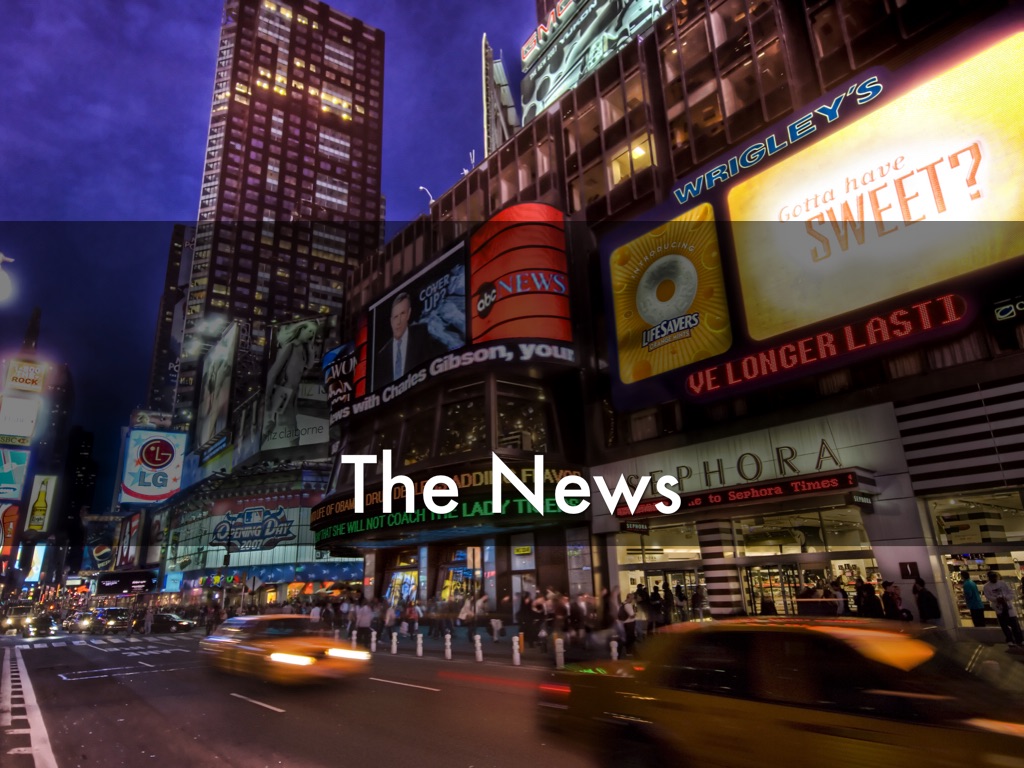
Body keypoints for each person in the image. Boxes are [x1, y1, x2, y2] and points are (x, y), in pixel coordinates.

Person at [261, 319, 321, 448]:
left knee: (272, 424)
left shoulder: (303, 349)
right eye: (310, 331)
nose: (311, 334)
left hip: (292, 394)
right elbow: (273, 373)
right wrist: (267, 398)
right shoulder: (290, 346)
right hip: (284, 392)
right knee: (291, 429)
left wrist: (310, 350)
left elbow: (309, 365)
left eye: (313, 332)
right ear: (301, 329)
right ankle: (294, 453)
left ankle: (257, 446)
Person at [374, 292, 442, 388]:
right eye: (395, 317)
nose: (398, 322)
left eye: (402, 314)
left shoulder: (422, 334)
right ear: (391, 321)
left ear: (408, 314)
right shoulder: (382, 355)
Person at [982, 570, 1023, 647]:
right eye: (992, 578)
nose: (994, 579)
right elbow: (988, 596)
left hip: (1008, 606)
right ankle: (1010, 640)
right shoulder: (986, 586)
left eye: (995, 578)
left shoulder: (1003, 583)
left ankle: (1019, 640)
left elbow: (1011, 593)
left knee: (1015, 624)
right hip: (999, 608)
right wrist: (997, 599)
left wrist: (1005, 598)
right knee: (1004, 626)